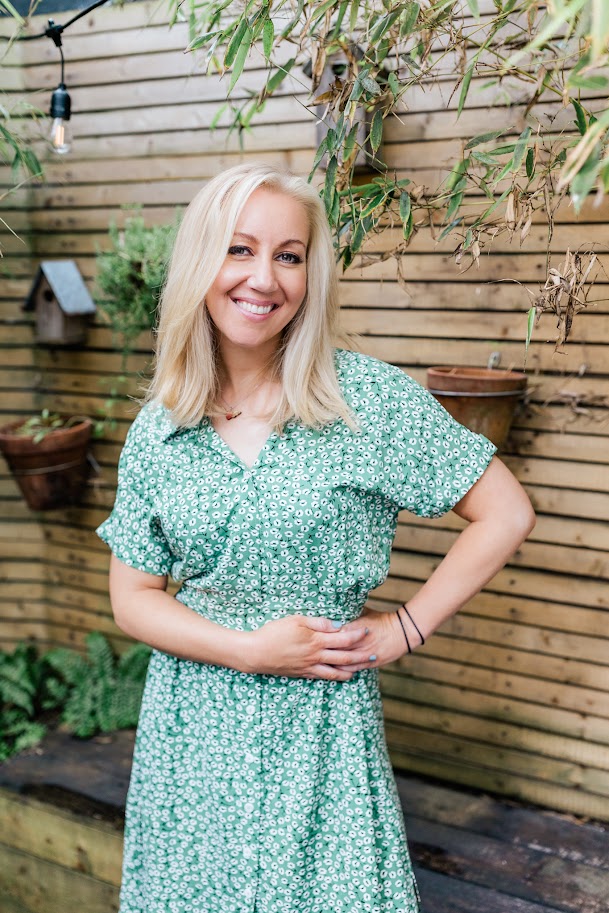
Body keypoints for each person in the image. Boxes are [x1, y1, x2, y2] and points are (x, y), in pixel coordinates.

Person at [97, 162, 535, 913]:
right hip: (192, 738)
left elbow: (505, 511)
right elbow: (133, 597)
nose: (262, 277)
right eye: (239, 249)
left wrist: (402, 628)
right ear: (200, 262)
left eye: (288, 255)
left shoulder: (362, 398)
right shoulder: (161, 426)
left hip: (320, 729)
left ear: (310, 275)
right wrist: (246, 649)